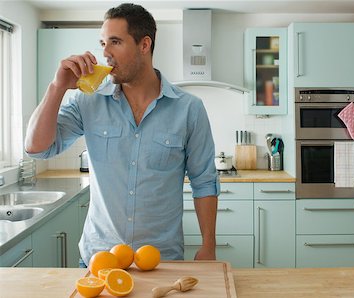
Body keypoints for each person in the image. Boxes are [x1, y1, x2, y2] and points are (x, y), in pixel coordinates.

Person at [25, 3, 219, 264]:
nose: (105, 53)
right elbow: (37, 148)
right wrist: (57, 86)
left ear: (144, 45)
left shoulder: (189, 109)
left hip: (161, 261)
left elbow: (204, 181)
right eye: (103, 43)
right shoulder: (88, 101)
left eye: (115, 42)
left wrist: (208, 246)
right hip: (98, 259)